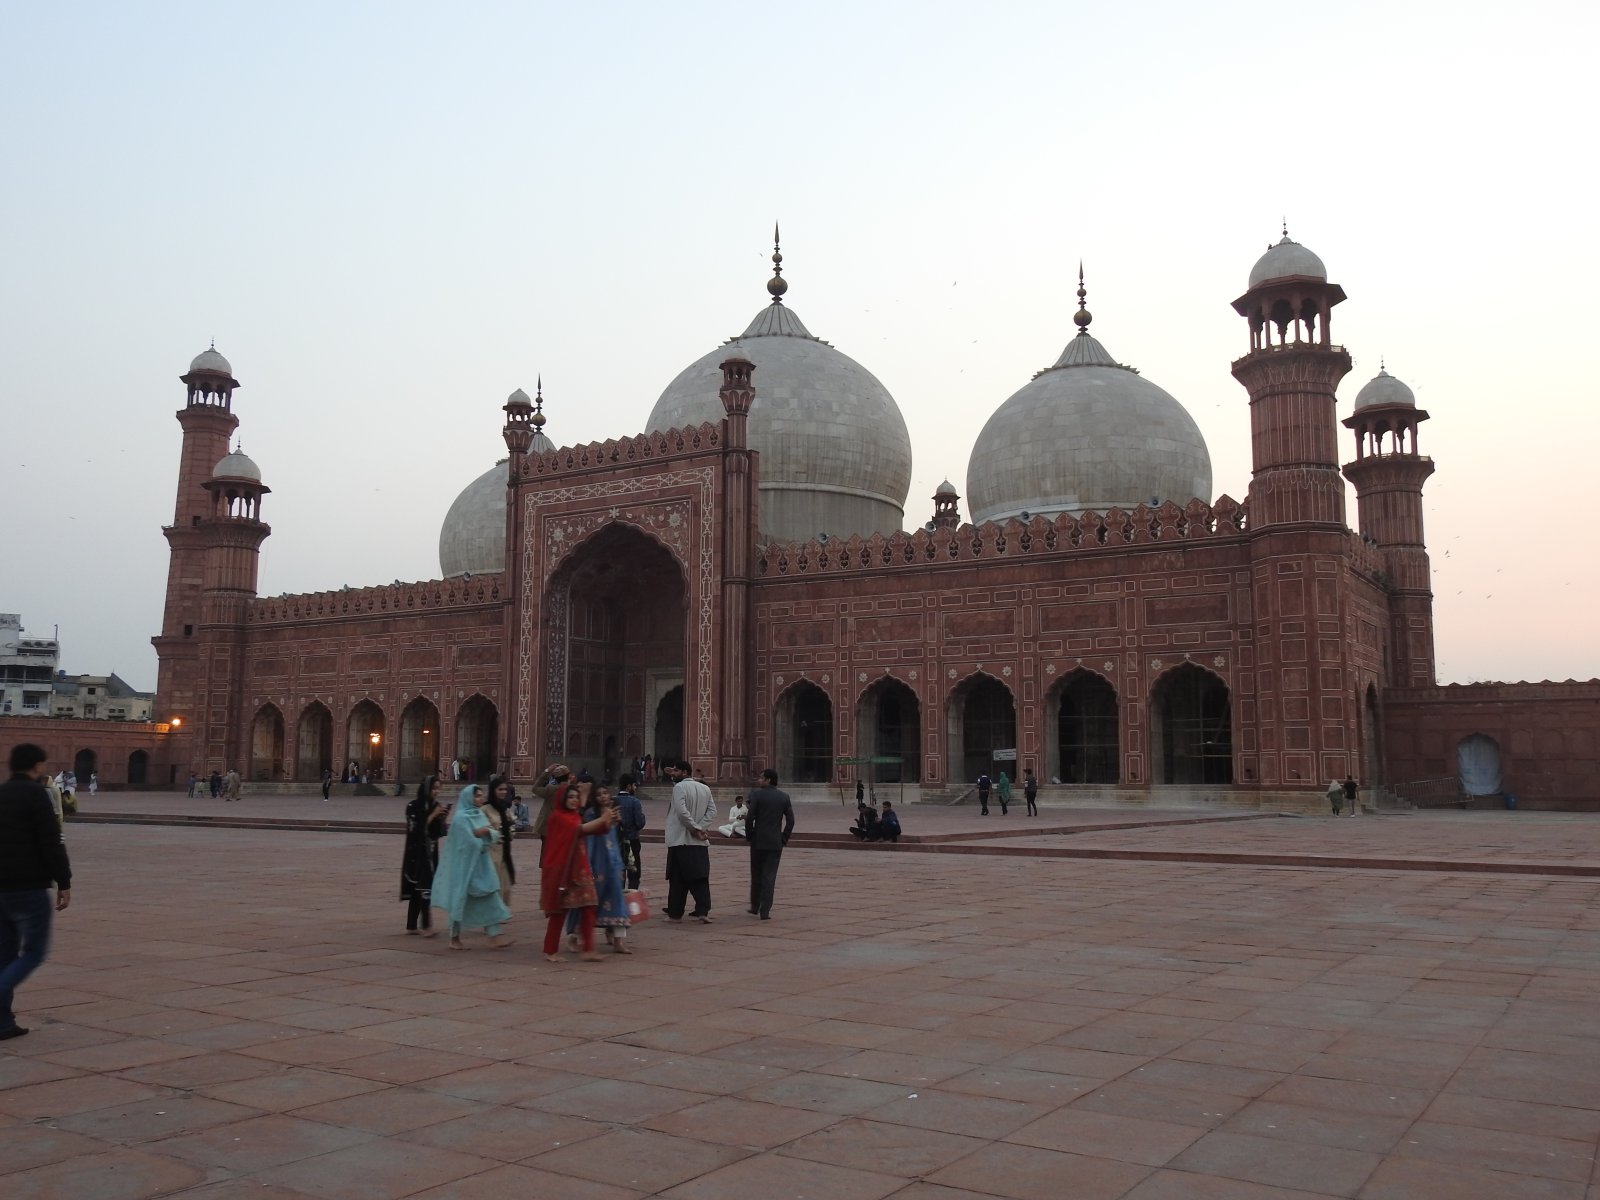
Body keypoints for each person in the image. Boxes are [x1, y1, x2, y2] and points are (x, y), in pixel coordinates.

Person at [0, 744, 73, 1041]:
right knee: (33, 952)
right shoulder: (36, 795)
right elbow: (51, 842)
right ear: (37, 766)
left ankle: (3, 1023)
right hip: (27, 887)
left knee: (4, 956)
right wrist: (64, 882)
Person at [541, 777, 618, 961]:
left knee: (589, 905)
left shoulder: (573, 814)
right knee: (559, 911)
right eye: (570, 797)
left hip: (579, 868)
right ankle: (550, 951)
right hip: (563, 870)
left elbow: (592, 829)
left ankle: (588, 949)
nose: (574, 800)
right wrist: (603, 818)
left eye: (576, 797)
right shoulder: (559, 817)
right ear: (562, 800)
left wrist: (608, 821)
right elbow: (580, 829)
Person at [429, 784, 513, 950]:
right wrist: (481, 833)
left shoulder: (478, 814)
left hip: (481, 865)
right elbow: (467, 842)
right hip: (465, 867)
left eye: (481, 796)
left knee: (490, 896)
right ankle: (454, 937)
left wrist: (487, 834)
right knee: (460, 900)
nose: (480, 799)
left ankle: (494, 935)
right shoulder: (461, 818)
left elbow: (491, 834)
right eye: (476, 796)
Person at [566, 784, 632, 954]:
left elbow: (614, 843)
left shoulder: (613, 813)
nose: (602, 796)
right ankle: (574, 936)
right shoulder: (591, 815)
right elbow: (589, 841)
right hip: (595, 864)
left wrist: (620, 865)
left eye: (605, 793)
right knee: (586, 902)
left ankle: (618, 941)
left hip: (612, 864)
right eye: (598, 794)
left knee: (617, 900)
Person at [663, 759, 715, 923]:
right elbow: (712, 811)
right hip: (698, 842)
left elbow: (681, 812)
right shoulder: (705, 788)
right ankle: (702, 911)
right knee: (700, 877)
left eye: (676, 771)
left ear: (684, 772)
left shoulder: (679, 787)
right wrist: (701, 828)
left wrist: (694, 829)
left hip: (681, 839)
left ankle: (675, 913)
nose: (673, 774)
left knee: (677, 879)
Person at [401, 773, 448, 936]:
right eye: (434, 788)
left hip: (431, 853)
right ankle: (426, 926)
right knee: (423, 887)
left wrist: (442, 819)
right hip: (417, 853)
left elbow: (438, 833)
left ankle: (411, 926)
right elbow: (417, 829)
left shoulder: (435, 805)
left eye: (438, 789)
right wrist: (433, 815)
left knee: (419, 888)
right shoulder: (413, 806)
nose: (436, 792)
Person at [744, 769, 794, 920]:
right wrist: (783, 838)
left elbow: (749, 818)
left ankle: (755, 906)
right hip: (775, 842)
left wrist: (750, 835)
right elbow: (791, 821)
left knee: (756, 874)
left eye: (761, 778)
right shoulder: (784, 797)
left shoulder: (756, 795)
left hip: (758, 841)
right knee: (769, 877)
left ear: (769, 780)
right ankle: (765, 911)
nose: (759, 781)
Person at [483, 775, 517, 909]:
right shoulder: (485, 809)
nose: (503, 792)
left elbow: (512, 824)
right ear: (493, 791)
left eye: (505, 789)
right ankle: (491, 914)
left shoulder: (505, 808)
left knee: (505, 883)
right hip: (490, 853)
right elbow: (480, 828)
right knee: (493, 884)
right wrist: (493, 832)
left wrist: (510, 832)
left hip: (504, 852)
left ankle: (500, 910)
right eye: (500, 789)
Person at [615, 773, 646, 890]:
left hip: (616, 841)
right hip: (632, 840)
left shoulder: (613, 800)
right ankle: (631, 898)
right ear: (628, 786)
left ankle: (619, 898)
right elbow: (640, 822)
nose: (635, 788)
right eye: (634, 785)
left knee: (619, 873)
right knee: (633, 873)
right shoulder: (634, 802)